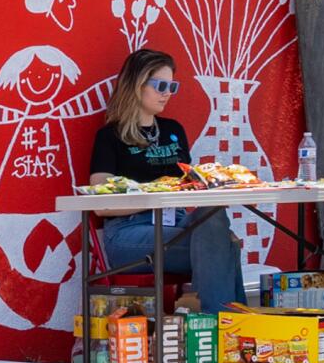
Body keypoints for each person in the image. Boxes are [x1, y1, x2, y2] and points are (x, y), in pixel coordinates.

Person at [87, 48, 245, 310]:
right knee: (225, 245)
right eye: (160, 85)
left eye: (172, 86)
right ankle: (226, 328)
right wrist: (156, 194)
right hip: (129, 231)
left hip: (177, 220)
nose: (167, 93)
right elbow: (101, 204)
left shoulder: (173, 130)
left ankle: (224, 326)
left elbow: (188, 184)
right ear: (137, 85)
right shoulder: (110, 137)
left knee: (213, 212)